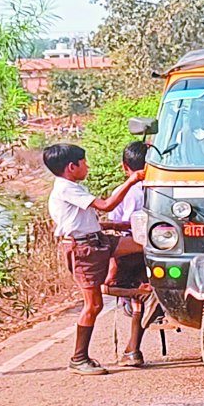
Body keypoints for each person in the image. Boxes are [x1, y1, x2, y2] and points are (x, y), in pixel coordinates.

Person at [44, 144, 144, 375]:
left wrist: (116, 225)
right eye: (84, 162)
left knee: (143, 244)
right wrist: (132, 180)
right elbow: (106, 205)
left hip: (98, 240)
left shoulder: (72, 187)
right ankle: (79, 358)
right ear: (72, 167)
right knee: (93, 305)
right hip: (84, 250)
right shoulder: (67, 189)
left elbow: (84, 219)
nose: (87, 166)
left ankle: (132, 286)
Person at [104, 141, 149, 368]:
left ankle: (133, 349)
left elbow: (122, 224)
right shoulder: (162, 187)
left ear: (124, 167)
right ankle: (133, 348)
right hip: (161, 247)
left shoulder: (126, 191)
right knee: (139, 293)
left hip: (134, 248)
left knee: (107, 285)